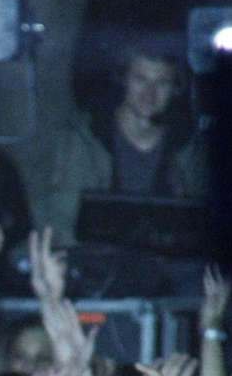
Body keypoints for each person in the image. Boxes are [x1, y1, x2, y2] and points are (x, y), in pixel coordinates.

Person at [43, 48, 207, 243]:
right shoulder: (84, 140)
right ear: (123, 79)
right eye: (140, 80)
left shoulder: (189, 148)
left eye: (162, 83)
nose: (150, 93)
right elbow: (62, 219)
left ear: (175, 88)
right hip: (95, 257)